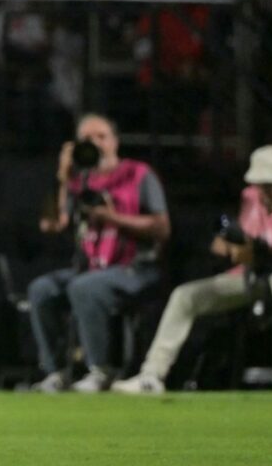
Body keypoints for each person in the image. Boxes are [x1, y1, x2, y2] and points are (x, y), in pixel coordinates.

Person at [114, 145, 272, 395]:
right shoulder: (249, 197)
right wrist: (225, 241)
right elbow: (222, 222)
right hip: (251, 277)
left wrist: (255, 255)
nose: (266, 189)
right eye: (262, 183)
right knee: (185, 296)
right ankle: (152, 374)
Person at [28, 113, 171, 393]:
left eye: (101, 137)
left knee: (85, 287)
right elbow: (51, 223)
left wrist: (111, 217)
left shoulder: (138, 174)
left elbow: (162, 228)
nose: (95, 144)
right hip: (93, 267)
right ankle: (57, 372)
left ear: (115, 142)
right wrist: (61, 177)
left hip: (137, 267)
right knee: (42, 289)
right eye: (87, 139)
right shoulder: (79, 180)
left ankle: (101, 370)